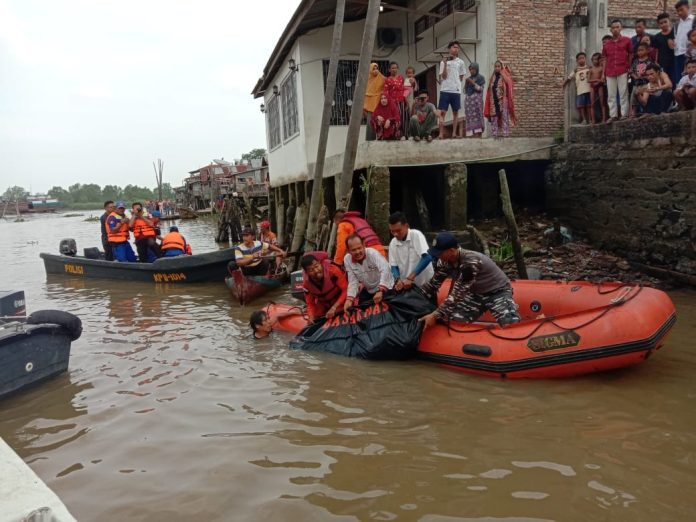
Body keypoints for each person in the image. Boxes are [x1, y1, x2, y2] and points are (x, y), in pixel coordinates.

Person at [419, 232, 520, 328]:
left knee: (511, 325)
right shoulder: (445, 262)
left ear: (451, 251)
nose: (437, 256)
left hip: (497, 292)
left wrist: (435, 314)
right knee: (455, 321)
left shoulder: (470, 261)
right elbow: (433, 284)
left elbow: (458, 293)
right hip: (476, 294)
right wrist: (412, 296)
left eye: (440, 253)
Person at [342, 234, 394, 312]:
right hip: (369, 290)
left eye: (359, 248)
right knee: (361, 312)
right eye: (353, 250)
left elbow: (385, 269)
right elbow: (353, 281)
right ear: (348, 250)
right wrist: (349, 299)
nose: (357, 252)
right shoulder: (347, 259)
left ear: (363, 245)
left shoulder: (372, 253)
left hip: (386, 287)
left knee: (386, 310)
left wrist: (381, 290)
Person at [387, 212, 434, 291]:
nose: (395, 234)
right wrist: (397, 280)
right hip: (406, 285)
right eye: (392, 231)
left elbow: (427, 257)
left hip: (425, 284)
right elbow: (393, 265)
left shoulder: (416, 234)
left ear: (406, 226)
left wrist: (410, 278)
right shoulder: (393, 243)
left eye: (398, 230)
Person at [300, 252, 348, 322]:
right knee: (315, 317)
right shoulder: (306, 284)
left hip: (340, 300)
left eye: (316, 266)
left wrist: (334, 307)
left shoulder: (333, 270)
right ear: (307, 272)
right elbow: (310, 303)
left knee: (343, 308)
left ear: (320, 263)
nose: (316, 271)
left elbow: (346, 290)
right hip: (323, 303)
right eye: (311, 270)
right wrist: (311, 316)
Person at [602, 19, 632, 122]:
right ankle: (613, 115)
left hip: (623, 69)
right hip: (609, 71)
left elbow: (631, 54)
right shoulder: (606, 45)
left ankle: (624, 114)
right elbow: (605, 59)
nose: (615, 29)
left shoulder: (627, 41)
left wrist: (629, 66)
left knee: (623, 92)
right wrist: (603, 73)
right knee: (611, 94)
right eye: (613, 27)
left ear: (621, 28)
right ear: (610, 30)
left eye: (617, 27)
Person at [437, 41, 466, 139]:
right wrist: (445, 64)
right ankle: (440, 134)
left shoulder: (461, 62)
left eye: (457, 48)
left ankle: (454, 133)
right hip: (445, 89)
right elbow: (443, 77)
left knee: (455, 112)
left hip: (456, 91)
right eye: (454, 47)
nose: (456, 49)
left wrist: (456, 84)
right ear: (449, 49)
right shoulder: (443, 62)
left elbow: (461, 77)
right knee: (442, 112)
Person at [484, 60, 516, 138]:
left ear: (501, 67)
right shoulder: (493, 77)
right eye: (496, 66)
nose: (497, 68)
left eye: (499, 66)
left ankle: (505, 134)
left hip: (503, 101)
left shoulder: (505, 76)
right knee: (494, 119)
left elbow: (509, 84)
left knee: (504, 118)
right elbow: (489, 89)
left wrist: (503, 73)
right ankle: (494, 135)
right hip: (493, 102)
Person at [563, 52, 592, 124]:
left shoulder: (589, 68)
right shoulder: (576, 70)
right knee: (581, 106)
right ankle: (584, 120)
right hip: (580, 90)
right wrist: (563, 84)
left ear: (585, 59)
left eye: (583, 58)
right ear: (577, 60)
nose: (581, 60)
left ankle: (590, 119)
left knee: (589, 106)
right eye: (579, 59)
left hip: (589, 90)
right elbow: (569, 78)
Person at [383, 61, 409, 138]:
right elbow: (386, 93)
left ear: (397, 69)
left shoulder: (401, 78)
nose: (394, 69)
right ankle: (396, 135)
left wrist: (406, 101)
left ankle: (406, 135)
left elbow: (406, 90)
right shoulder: (387, 80)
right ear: (389, 70)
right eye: (392, 68)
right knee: (395, 119)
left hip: (402, 102)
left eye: (395, 68)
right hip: (393, 103)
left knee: (404, 118)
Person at [629, 43, 656, 116]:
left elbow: (652, 71)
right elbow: (631, 71)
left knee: (645, 98)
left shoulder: (649, 61)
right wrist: (635, 76)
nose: (639, 52)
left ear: (647, 51)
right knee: (633, 98)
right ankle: (633, 112)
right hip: (637, 83)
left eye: (642, 50)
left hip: (646, 83)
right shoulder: (635, 61)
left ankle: (646, 111)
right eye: (638, 50)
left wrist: (644, 75)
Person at [653, 13, 676, 86]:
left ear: (669, 21)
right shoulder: (657, 37)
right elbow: (657, 50)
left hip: (674, 61)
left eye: (665, 22)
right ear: (659, 25)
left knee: (674, 79)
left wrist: (674, 45)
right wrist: (656, 61)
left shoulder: (675, 33)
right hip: (662, 62)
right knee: (663, 80)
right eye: (661, 23)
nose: (663, 24)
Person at [364, 62, 386, 141]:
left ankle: (382, 139)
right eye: (373, 69)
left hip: (380, 104)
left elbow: (388, 84)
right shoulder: (367, 80)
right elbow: (365, 93)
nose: (376, 70)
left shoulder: (381, 78)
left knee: (382, 122)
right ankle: (370, 141)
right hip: (370, 106)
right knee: (371, 124)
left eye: (377, 68)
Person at [674, 0, 695, 81]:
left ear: (688, 8)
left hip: (691, 55)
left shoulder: (694, 20)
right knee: (679, 80)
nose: (679, 13)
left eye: (681, 10)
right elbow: (676, 38)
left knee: (691, 79)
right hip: (678, 55)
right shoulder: (676, 24)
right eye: (678, 11)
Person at [464, 62, 486, 137]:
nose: (471, 71)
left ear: (476, 69)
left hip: (477, 106)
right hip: (469, 108)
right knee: (470, 129)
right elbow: (465, 91)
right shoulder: (469, 78)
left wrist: (473, 83)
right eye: (470, 69)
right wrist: (466, 83)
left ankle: (478, 140)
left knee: (478, 126)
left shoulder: (481, 78)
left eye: (473, 69)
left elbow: (480, 89)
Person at [588, 53, 607, 123]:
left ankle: (604, 119)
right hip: (592, 86)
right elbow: (588, 80)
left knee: (602, 103)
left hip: (600, 86)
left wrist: (599, 82)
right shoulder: (591, 69)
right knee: (592, 104)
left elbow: (603, 79)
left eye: (596, 59)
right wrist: (596, 80)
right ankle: (593, 120)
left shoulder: (601, 68)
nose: (595, 61)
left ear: (599, 60)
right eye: (593, 60)